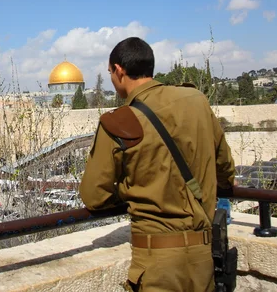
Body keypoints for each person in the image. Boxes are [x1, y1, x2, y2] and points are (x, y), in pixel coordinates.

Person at [79, 37, 235, 292]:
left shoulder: (119, 121)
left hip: (156, 262)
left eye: (110, 72)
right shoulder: (197, 100)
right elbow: (225, 167)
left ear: (119, 71)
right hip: (203, 256)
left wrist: (129, 191)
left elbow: (94, 195)